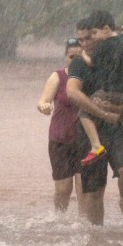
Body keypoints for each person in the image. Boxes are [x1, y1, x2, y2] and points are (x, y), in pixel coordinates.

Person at [67, 13, 123, 227]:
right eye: (81, 40)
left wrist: (121, 108)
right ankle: (98, 236)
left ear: (101, 34)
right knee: (94, 191)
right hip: (90, 132)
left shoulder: (119, 57)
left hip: (119, 127)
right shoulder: (78, 65)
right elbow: (73, 93)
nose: (86, 43)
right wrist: (103, 113)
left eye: (90, 37)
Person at [78, 19, 123, 173]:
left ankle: (96, 146)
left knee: (84, 111)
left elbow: (91, 63)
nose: (94, 38)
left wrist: (83, 54)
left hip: (110, 92)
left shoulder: (103, 46)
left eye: (94, 34)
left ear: (105, 29)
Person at [37, 37, 87, 215]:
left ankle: (85, 226)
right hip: (60, 139)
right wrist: (44, 106)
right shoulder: (58, 76)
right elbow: (43, 100)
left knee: (83, 187)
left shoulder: (91, 78)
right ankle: (59, 221)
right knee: (63, 189)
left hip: (85, 139)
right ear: (66, 57)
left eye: (79, 57)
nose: (75, 61)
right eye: (71, 57)